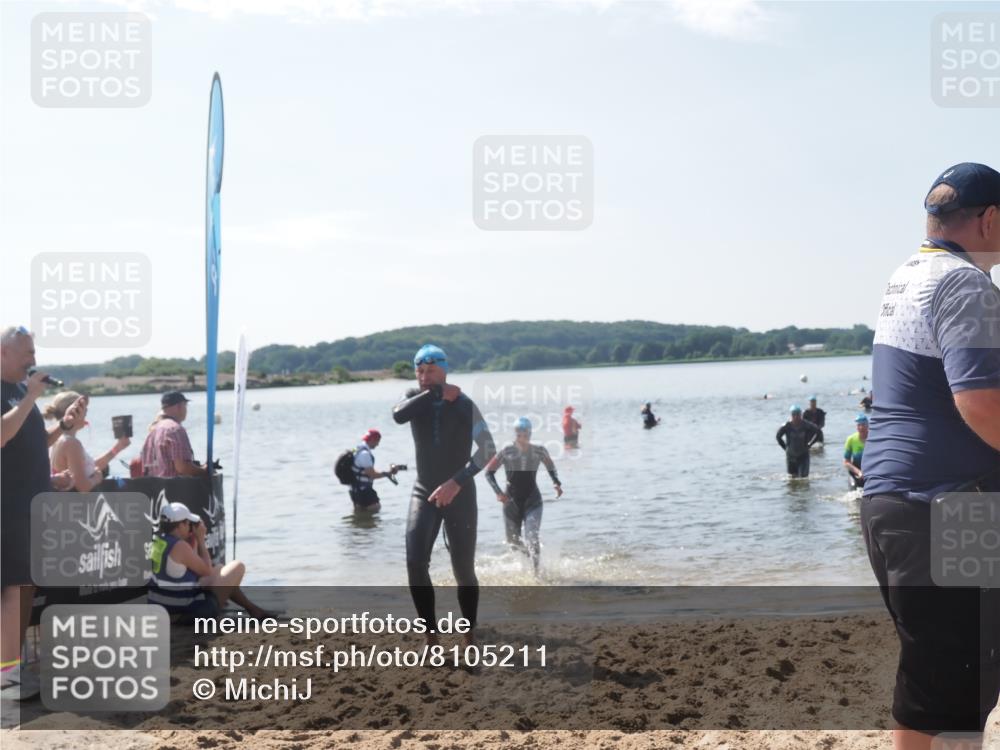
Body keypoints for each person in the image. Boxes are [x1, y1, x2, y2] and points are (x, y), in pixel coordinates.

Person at [861, 162, 1000, 745]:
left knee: (951, 680)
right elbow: (980, 402)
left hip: (894, 501)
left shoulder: (910, 274)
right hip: (946, 505)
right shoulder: (964, 283)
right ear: (991, 221)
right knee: (949, 685)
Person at [392, 344, 495, 645]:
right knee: (414, 563)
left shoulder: (464, 405)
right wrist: (436, 393)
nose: (424, 377)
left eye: (430, 370)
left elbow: (488, 449)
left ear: (445, 369)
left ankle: (470, 631)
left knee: (463, 570)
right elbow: (398, 415)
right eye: (419, 371)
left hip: (459, 491)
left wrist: (456, 482)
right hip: (424, 490)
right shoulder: (414, 399)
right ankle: (431, 636)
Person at [0, 326, 77, 700]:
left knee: (25, 590)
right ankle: (7, 681)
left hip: (31, 506)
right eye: (27, 352)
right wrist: (31, 398)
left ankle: (12, 672)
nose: (34, 360)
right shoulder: (14, 393)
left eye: (34, 352)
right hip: (8, 510)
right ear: (3, 353)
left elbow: (27, 440)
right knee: (12, 594)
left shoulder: (18, 392)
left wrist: (61, 428)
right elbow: (1, 435)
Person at [148, 501, 271, 621]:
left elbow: (193, 572)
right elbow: (206, 571)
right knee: (238, 566)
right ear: (180, 525)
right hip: (185, 613)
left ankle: (253, 609)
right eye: (188, 523)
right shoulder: (179, 546)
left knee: (219, 569)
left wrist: (194, 541)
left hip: (162, 607)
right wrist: (201, 540)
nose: (190, 527)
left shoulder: (157, 541)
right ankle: (253, 610)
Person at [484, 417, 563, 575]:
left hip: (532, 501)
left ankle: (536, 573)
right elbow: (489, 473)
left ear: (530, 433)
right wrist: (498, 493)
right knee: (513, 543)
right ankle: (526, 563)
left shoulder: (539, 450)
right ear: (515, 434)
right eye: (519, 433)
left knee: (531, 537)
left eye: (526, 433)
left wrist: (556, 482)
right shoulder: (506, 451)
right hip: (510, 502)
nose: (523, 436)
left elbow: (551, 467)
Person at [46, 391, 130, 492]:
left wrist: (118, 447)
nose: (86, 415)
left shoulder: (59, 439)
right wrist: (97, 478)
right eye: (85, 411)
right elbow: (83, 487)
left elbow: (86, 468)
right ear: (75, 412)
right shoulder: (71, 443)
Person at [140, 391, 209, 478]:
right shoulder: (175, 429)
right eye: (185, 405)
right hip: (175, 488)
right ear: (179, 406)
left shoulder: (152, 431)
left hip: (155, 489)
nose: (186, 409)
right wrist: (204, 470)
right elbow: (182, 468)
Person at [349, 428, 399, 513]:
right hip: (364, 490)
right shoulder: (365, 454)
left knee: (359, 512)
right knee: (376, 508)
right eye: (378, 441)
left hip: (354, 490)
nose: (378, 444)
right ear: (372, 440)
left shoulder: (355, 450)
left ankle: (360, 524)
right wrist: (388, 473)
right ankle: (368, 524)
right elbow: (372, 475)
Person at [775, 405, 821, 478]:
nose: (796, 417)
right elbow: (778, 437)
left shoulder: (806, 424)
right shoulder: (787, 426)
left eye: (798, 414)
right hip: (790, 457)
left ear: (801, 415)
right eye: (794, 414)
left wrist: (810, 444)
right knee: (791, 479)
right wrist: (785, 448)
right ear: (791, 415)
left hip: (803, 456)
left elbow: (818, 432)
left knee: (803, 478)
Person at [843, 414, 869, 489]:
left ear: (868, 425)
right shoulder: (851, 439)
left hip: (869, 472)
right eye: (858, 425)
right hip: (855, 473)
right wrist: (859, 472)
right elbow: (846, 462)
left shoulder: (873, 439)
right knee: (855, 496)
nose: (861, 427)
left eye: (863, 425)